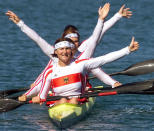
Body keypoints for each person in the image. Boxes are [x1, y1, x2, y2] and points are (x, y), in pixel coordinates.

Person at [26, 36, 139, 105]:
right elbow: (42, 95)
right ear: (56, 52)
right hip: (57, 102)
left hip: (79, 100)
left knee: (74, 101)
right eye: (61, 49)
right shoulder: (50, 71)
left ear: (72, 51)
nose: (64, 52)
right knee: (64, 101)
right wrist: (34, 98)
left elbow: (105, 59)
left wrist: (127, 50)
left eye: (67, 49)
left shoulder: (82, 64)